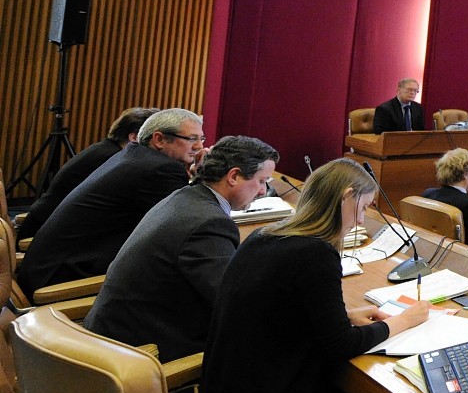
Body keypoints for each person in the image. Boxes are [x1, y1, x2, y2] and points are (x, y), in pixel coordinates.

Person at [197, 159, 429, 393]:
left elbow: (278, 311)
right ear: (346, 197)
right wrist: (402, 321)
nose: (360, 221)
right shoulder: (315, 254)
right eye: (363, 207)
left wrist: (346, 316)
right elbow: (341, 345)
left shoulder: (265, 236)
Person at [84, 136, 278, 363]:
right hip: (138, 353)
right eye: (262, 181)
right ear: (234, 176)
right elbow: (232, 302)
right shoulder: (209, 223)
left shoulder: (186, 197)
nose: (264, 191)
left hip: (117, 332)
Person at [17, 108, 205, 298]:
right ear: (159, 139)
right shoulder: (160, 169)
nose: (198, 146)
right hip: (62, 278)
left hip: (44, 268)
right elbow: (185, 225)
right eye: (192, 139)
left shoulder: (132, 156)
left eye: (201, 139)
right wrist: (208, 177)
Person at [17, 105, 157, 239]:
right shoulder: (112, 159)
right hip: (48, 233)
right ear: (134, 137)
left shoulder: (104, 150)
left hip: (47, 225)